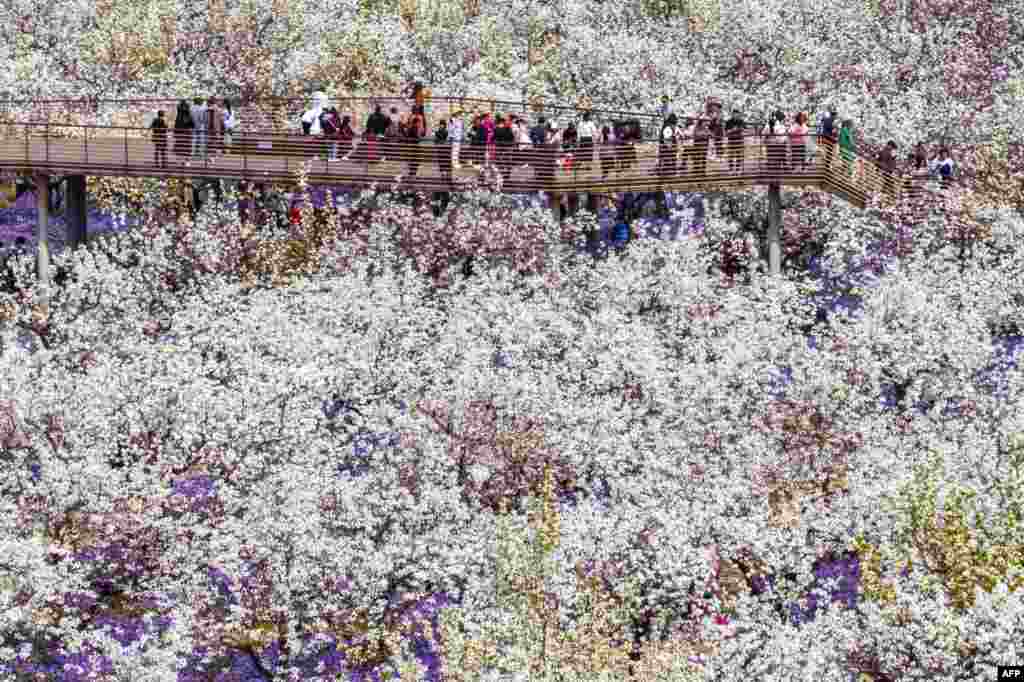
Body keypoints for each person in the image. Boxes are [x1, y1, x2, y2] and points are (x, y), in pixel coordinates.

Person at [763, 110, 787, 175]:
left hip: (770, 145)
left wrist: (765, 141)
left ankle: (772, 177)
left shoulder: (768, 125)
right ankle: (775, 178)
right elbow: (781, 138)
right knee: (776, 163)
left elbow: (764, 135)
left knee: (771, 161)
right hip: (777, 146)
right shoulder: (780, 126)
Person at [494, 115, 516, 180]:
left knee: (505, 163)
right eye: (506, 121)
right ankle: (505, 176)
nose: (507, 122)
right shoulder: (503, 129)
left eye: (508, 121)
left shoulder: (499, 129)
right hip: (505, 150)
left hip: (504, 150)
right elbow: (512, 139)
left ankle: (505, 176)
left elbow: (495, 138)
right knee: (505, 163)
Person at [658, 113, 679, 180]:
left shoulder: (667, 125)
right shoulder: (669, 126)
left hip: (665, 146)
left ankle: (665, 174)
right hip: (667, 147)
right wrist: (670, 147)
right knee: (667, 160)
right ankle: (666, 175)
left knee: (665, 160)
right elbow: (666, 138)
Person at [724, 109, 745, 174]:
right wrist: (732, 130)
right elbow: (726, 132)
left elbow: (745, 130)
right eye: (735, 114)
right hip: (731, 141)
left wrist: (741, 130)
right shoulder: (728, 122)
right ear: (732, 114)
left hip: (739, 141)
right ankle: (731, 169)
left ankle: (738, 169)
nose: (736, 115)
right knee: (731, 156)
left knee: (739, 156)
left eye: (737, 114)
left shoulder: (741, 121)